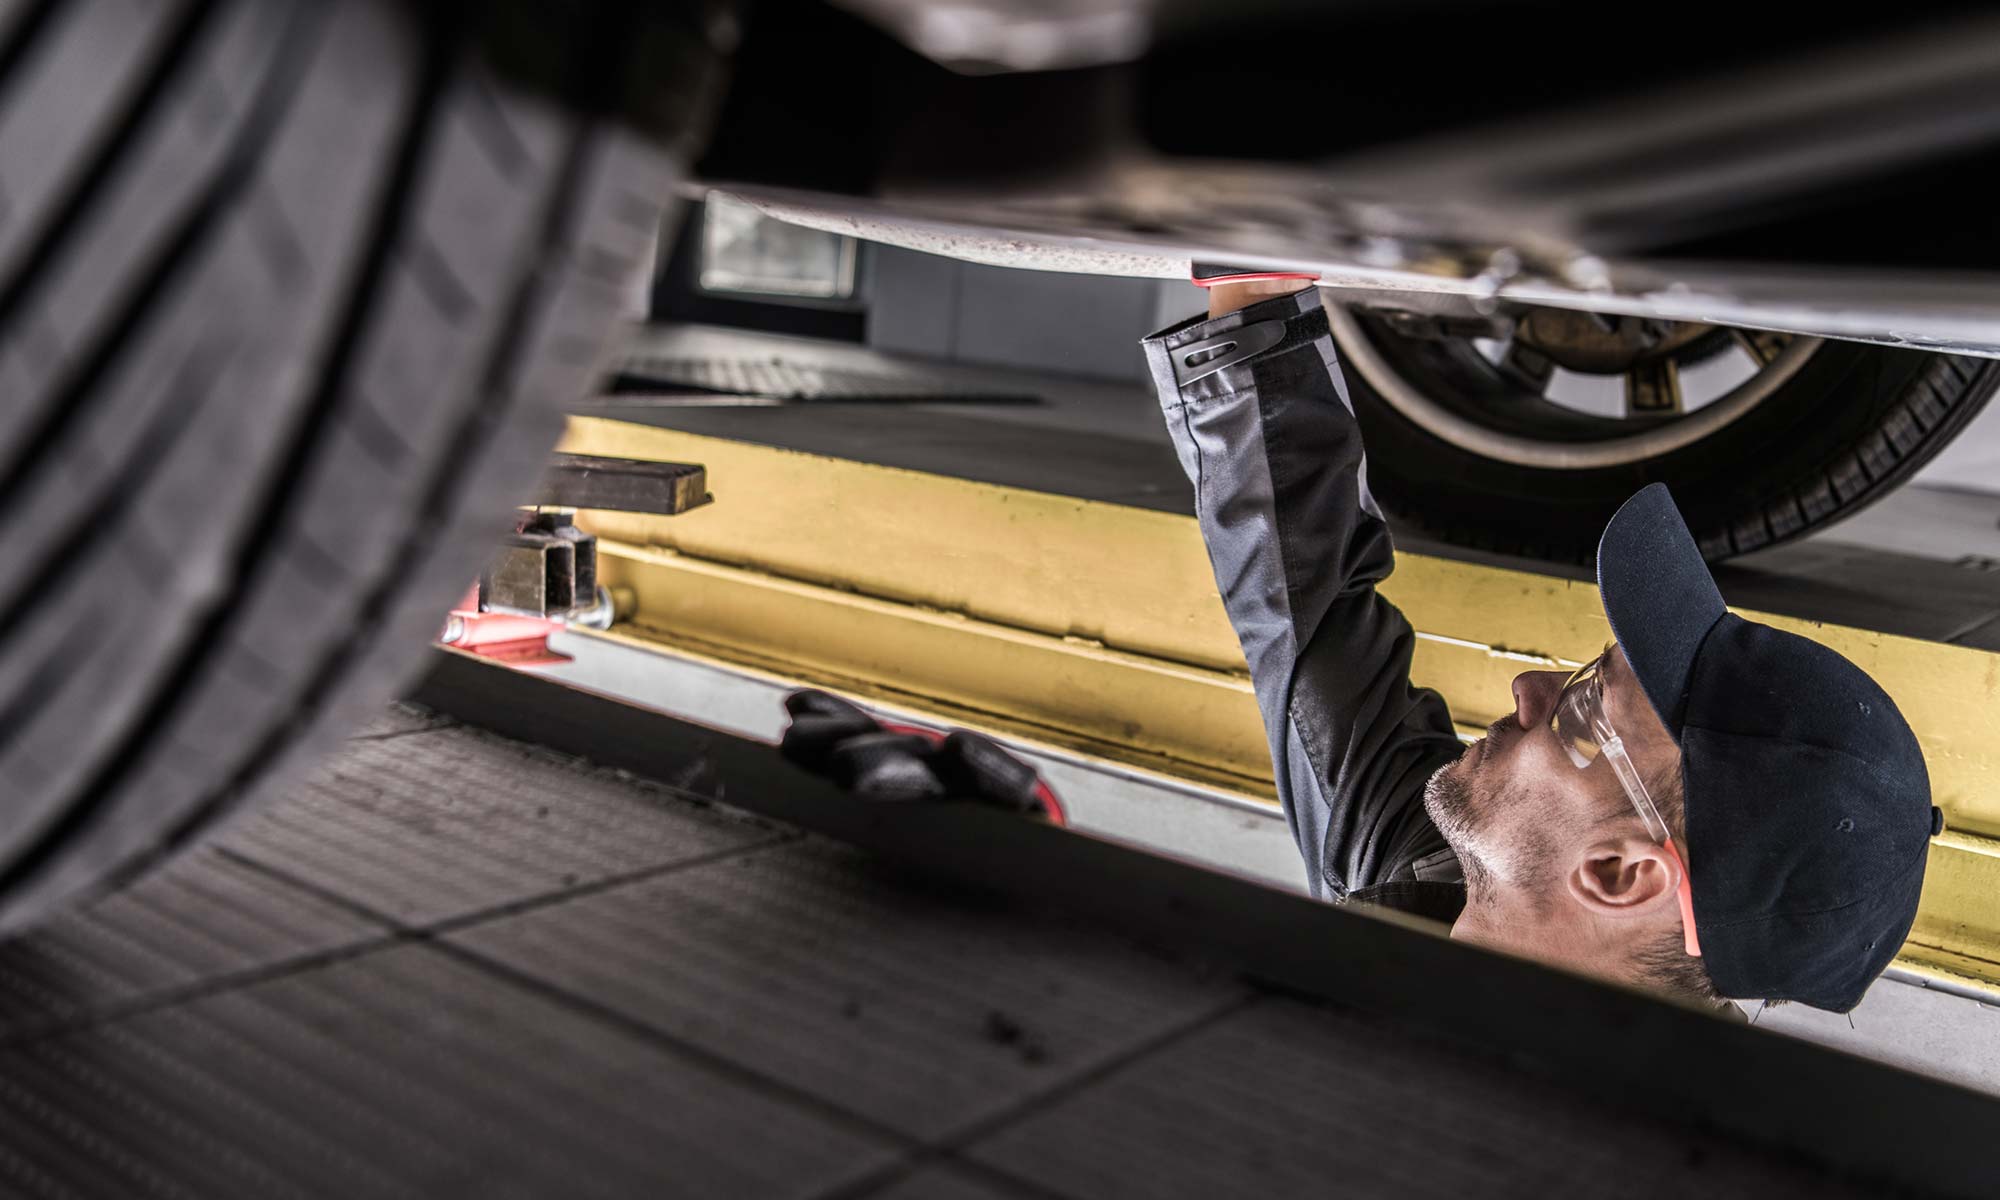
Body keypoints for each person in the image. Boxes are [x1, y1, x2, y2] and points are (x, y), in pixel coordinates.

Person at [1141, 275, 1941, 1013]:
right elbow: (1306, 604)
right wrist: (1256, 278)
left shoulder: (1443, 1134)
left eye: (1585, 713)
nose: (1529, 688)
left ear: (1617, 873)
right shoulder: (1441, 882)